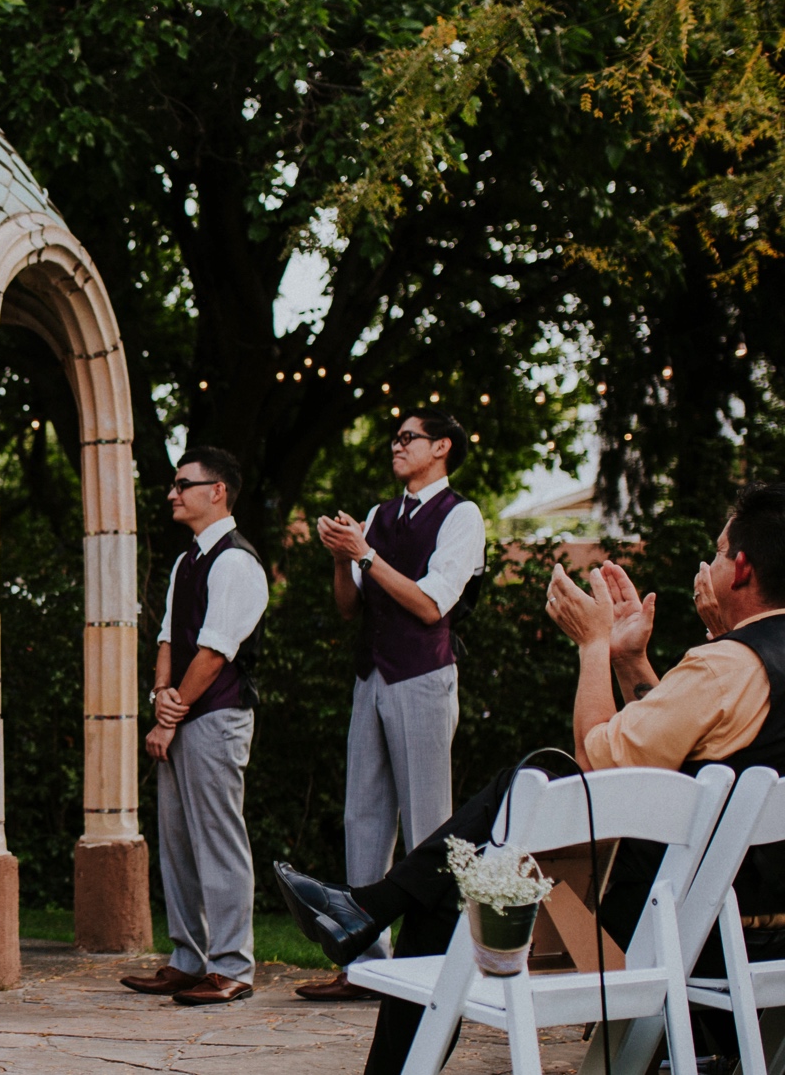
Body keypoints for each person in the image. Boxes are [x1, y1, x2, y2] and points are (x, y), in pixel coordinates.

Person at [275, 482, 785, 1073]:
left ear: (741, 568)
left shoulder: (726, 664)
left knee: (527, 795)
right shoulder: (740, 668)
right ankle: (368, 908)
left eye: (719, 552)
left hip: (669, 929)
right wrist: (628, 658)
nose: (711, 564)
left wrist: (593, 647)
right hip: (756, 927)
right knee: (451, 881)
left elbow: (598, 764)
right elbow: (676, 745)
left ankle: (371, 920)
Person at [301, 407, 484, 999]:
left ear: (442, 448)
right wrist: (341, 556)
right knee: (363, 818)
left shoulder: (463, 517)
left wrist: (366, 554)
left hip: (424, 677)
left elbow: (433, 605)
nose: (396, 445)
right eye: (396, 436)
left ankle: (429, 962)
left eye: (409, 438)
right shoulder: (379, 514)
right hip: (371, 676)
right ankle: (363, 964)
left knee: (430, 822)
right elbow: (350, 606)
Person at [120, 446, 266, 1006]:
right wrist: (160, 697)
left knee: (219, 841)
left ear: (218, 491)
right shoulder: (187, 563)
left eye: (184, 483)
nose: (172, 492)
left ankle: (232, 965)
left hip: (218, 716)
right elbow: (166, 638)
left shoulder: (236, 562)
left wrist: (171, 712)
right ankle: (188, 958)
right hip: (181, 713)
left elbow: (214, 652)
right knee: (178, 842)